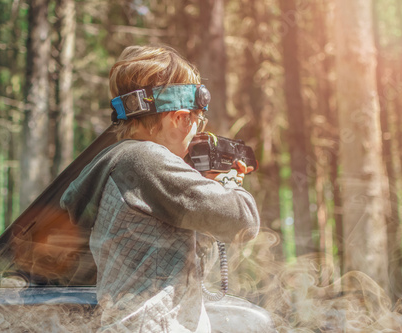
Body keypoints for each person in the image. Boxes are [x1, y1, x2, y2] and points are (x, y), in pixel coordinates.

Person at [60, 45, 264, 332]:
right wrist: (228, 182)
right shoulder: (146, 160)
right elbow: (244, 221)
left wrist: (202, 182)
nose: (197, 129)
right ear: (179, 118)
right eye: (197, 119)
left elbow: (185, 257)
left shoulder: (115, 161)